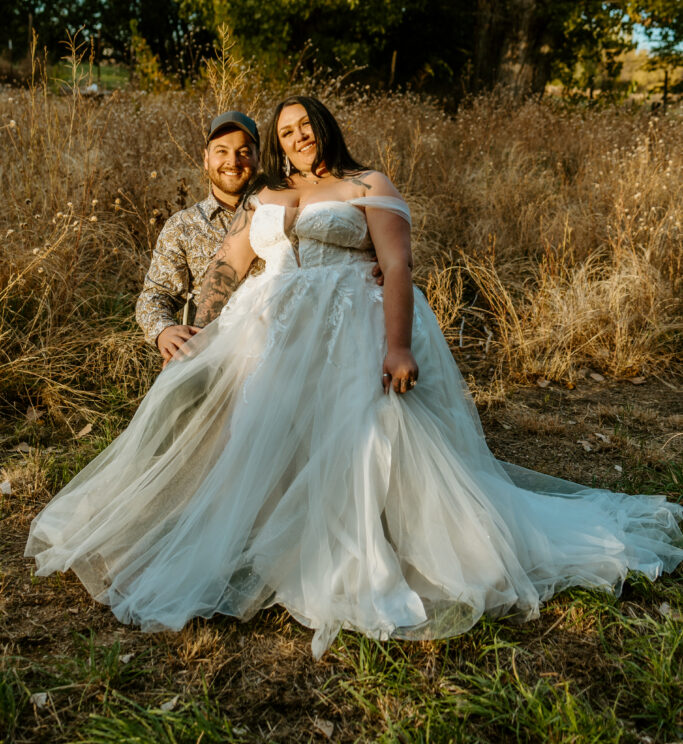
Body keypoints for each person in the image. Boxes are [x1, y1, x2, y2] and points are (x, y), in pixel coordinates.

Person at [25, 95, 683, 658]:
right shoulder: (270, 192)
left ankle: (373, 547)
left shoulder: (369, 183)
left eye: (304, 126)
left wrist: (396, 347)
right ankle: (261, 536)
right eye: (284, 132)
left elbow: (397, 267)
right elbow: (229, 262)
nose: (297, 138)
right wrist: (200, 325)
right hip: (272, 331)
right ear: (276, 144)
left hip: (350, 328)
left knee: (368, 441)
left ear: (325, 127)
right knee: (263, 435)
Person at [135, 110, 260, 364]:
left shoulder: (278, 216)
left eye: (244, 152)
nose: (233, 162)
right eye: (221, 151)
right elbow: (154, 295)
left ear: (258, 159)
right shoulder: (184, 226)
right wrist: (163, 331)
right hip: (212, 357)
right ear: (206, 159)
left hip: (273, 350)